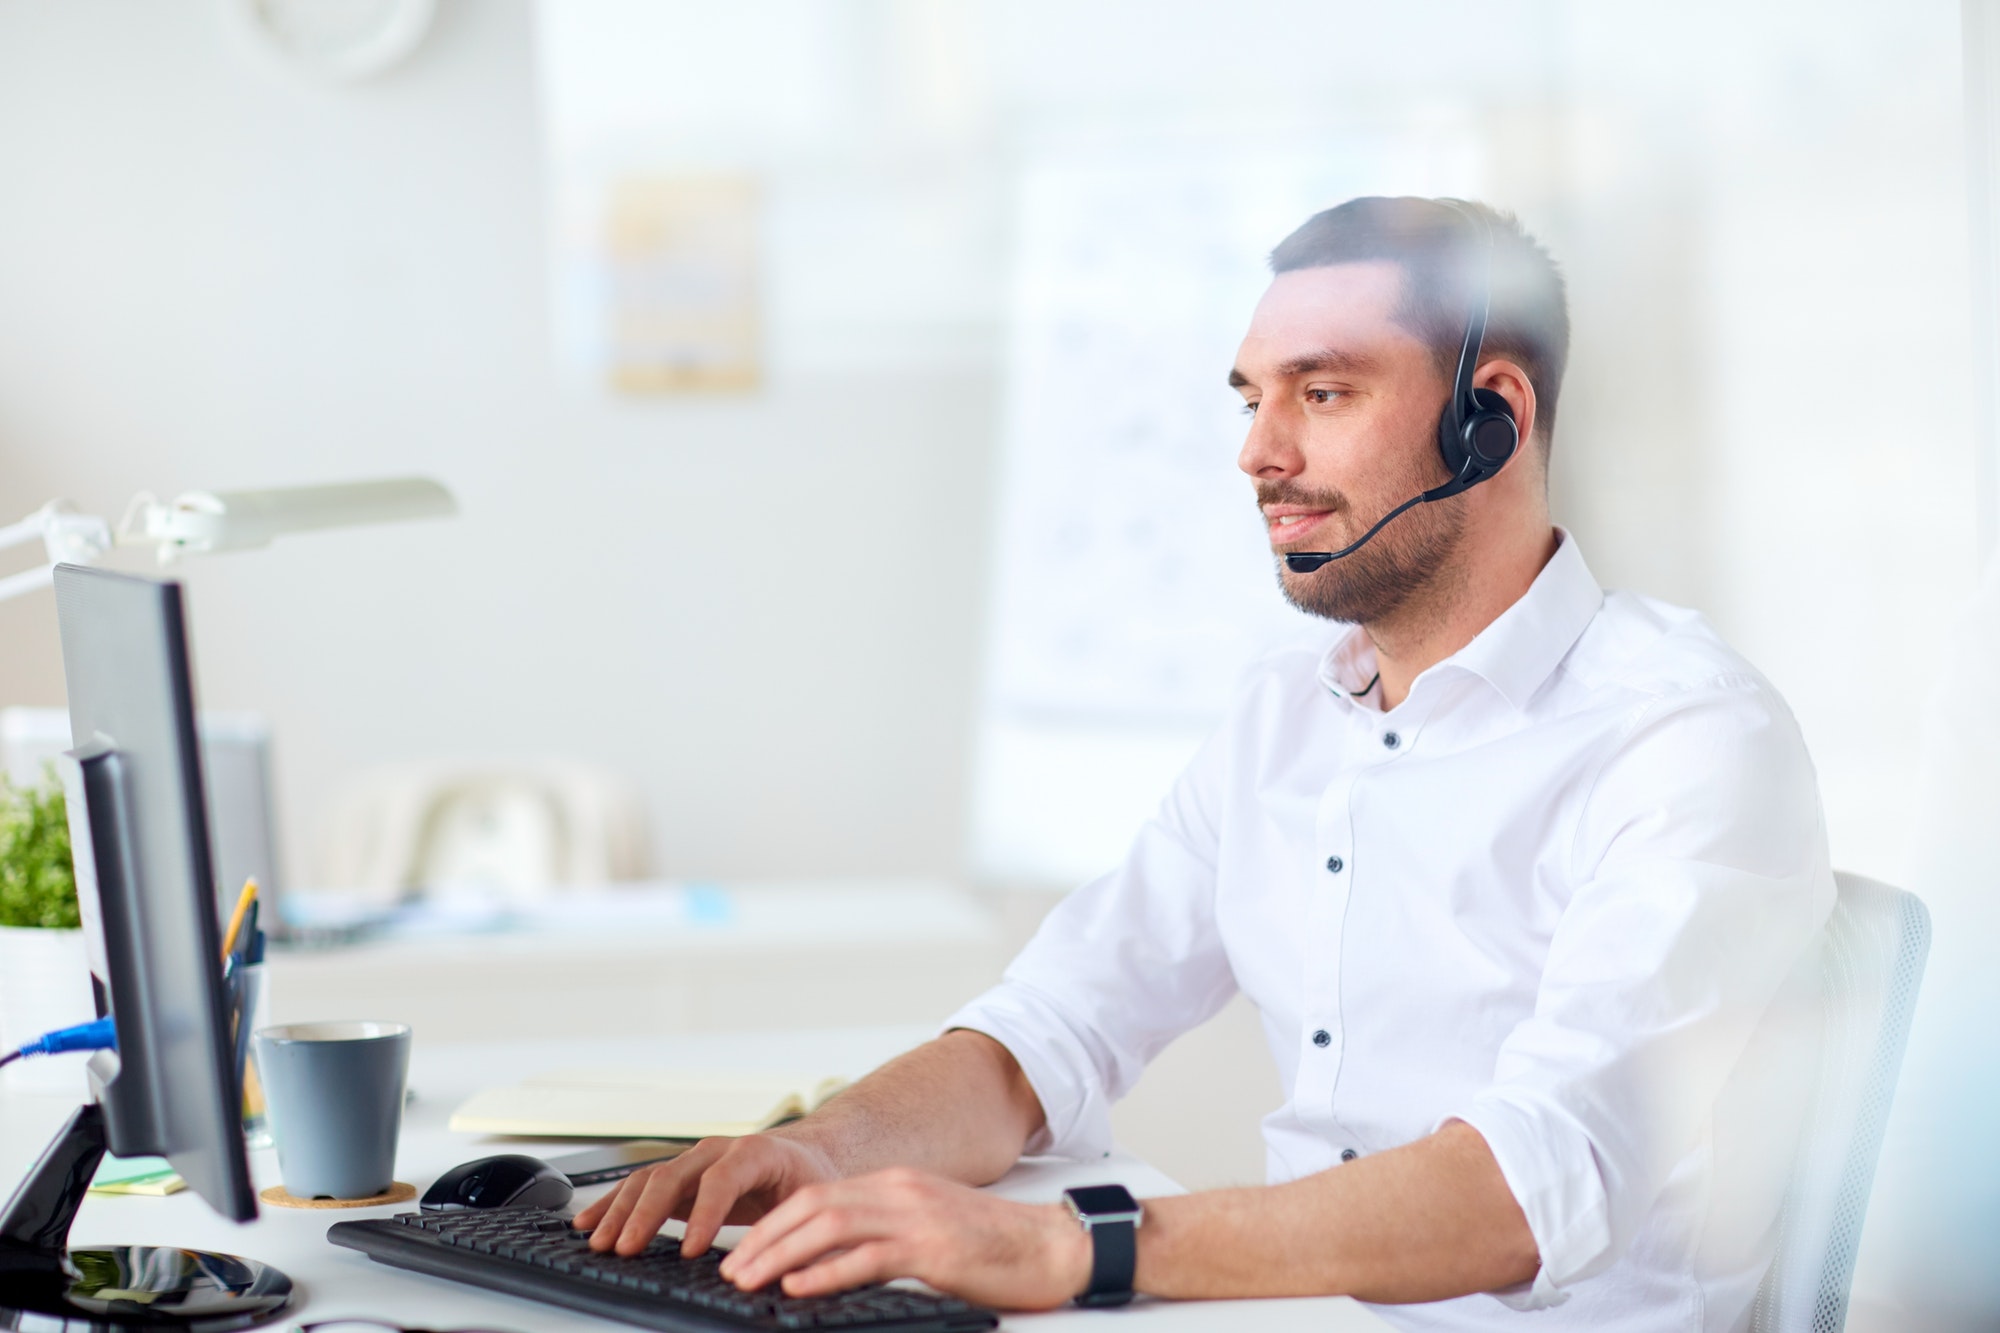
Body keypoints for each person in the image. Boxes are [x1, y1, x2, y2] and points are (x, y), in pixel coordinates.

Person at [576, 196, 1833, 1330]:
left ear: (1487, 419)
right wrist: (827, 1150)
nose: (1257, 453)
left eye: (1320, 394)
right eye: (1249, 398)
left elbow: (1529, 1184)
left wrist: (1070, 1246)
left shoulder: (1681, 738)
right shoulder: (1283, 718)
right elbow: (1059, 1020)